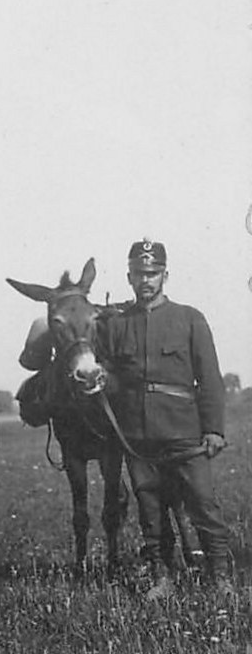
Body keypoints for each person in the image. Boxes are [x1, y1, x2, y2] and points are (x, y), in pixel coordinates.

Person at [95, 239, 232, 596]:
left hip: (184, 431)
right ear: (129, 277)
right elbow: (112, 379)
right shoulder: (117, 326)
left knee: (203, 505)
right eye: (140, 273)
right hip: (138, 437)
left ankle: (220, 578)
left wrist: (214, 429)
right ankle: (162, 577)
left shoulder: (189, 319)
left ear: (165, 275)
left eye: (153, 273)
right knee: (151, 512)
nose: (146, 280)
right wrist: (96, 379)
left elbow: (211, 378)